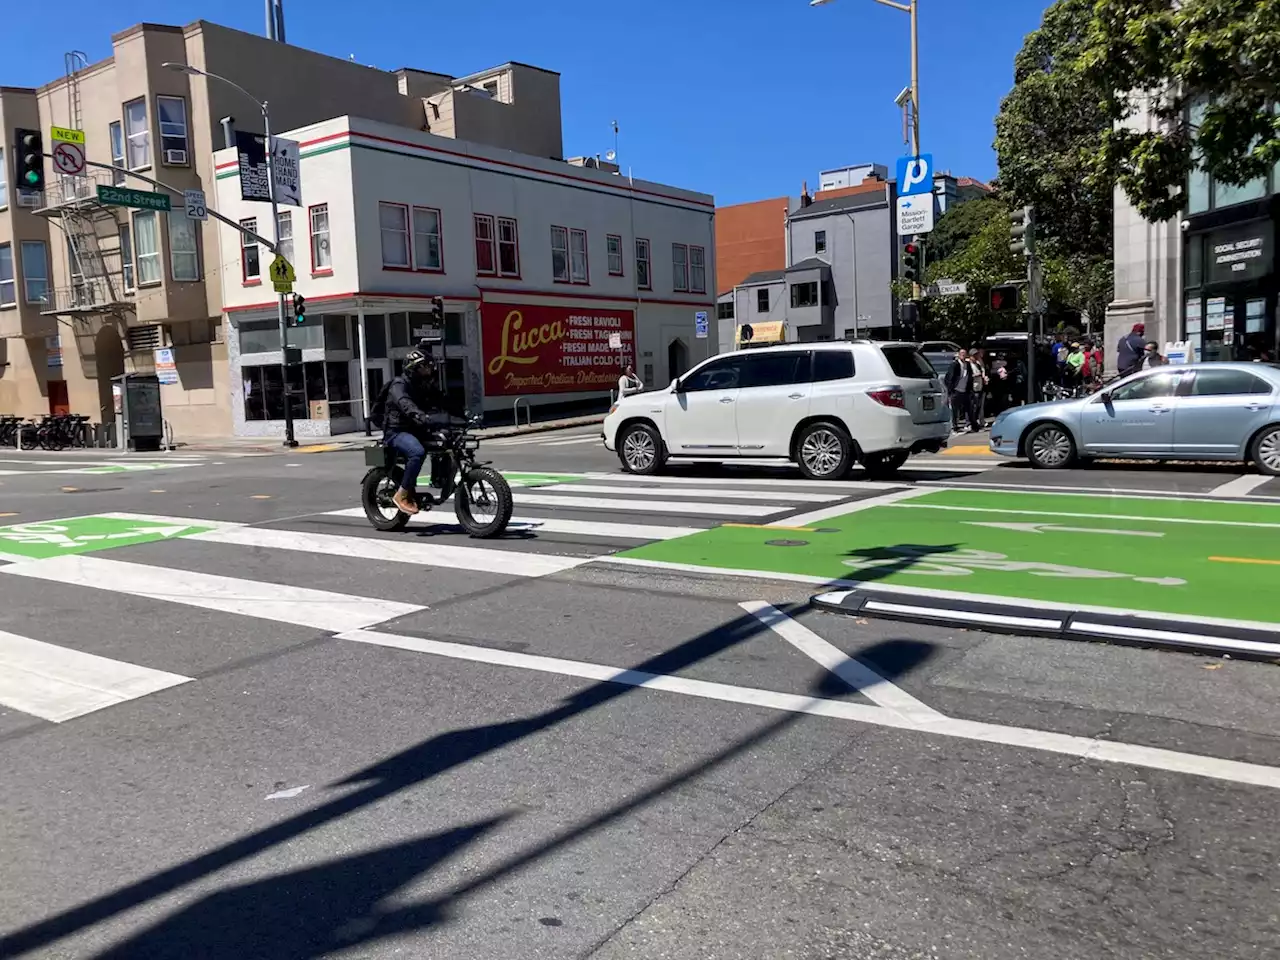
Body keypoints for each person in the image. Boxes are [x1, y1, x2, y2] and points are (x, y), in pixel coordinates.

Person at [380, 347, 453, 516]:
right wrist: (419, 415)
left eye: (429, 367)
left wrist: (462, 416)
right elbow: (405, 404)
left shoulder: (423, 386)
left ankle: (441, 479)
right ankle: (402, 494)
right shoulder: (399, 385)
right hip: (396, 432)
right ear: (413, 368)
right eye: (424, 367)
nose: (428, 370)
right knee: (417, 452)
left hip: (416, 429)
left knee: (447, 440)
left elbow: (442, 400)